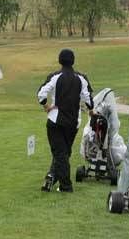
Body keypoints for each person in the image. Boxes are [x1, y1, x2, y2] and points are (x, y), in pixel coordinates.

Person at [37, 49, 94, 192]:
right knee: (64, 153)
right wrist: (91, 111)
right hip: (73, 123)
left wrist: (46, 106)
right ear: (73, 61)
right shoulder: (81, 78)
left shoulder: (55, 76)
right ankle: (51, 176)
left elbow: (41, 94)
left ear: (59, 60)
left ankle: (65, 186)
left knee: (60, 153)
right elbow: (89, 100)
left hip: (55, 121)